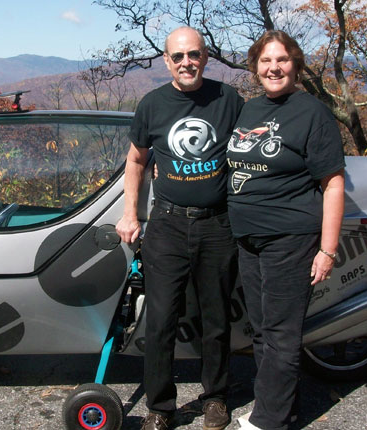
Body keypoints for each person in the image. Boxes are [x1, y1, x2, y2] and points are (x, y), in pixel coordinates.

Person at [115, 26, 244, 430]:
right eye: (178, 56)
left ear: (205, 56)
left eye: (194, 54)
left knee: (216, 320)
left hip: (218, 225)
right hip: (167, 225)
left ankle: (216, 398)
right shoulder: (152, 104)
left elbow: (251, 151)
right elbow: (136, 161)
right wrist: (130, 214)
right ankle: (160, 407)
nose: (187, 62)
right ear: (167, 60)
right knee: (160, 321)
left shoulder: (228, 99)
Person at [226, 30, 345, 430]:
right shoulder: (250, 110)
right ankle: (280, 408)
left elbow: (333, 184)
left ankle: (269, 421)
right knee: (262, 330)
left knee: (280, 332)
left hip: (290, 238)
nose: (273, 68)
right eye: (265, 61)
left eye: (282, 60)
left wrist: (327, 250)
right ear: (255, 66)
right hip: (249, 239)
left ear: (295, 65)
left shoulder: (311, 113)